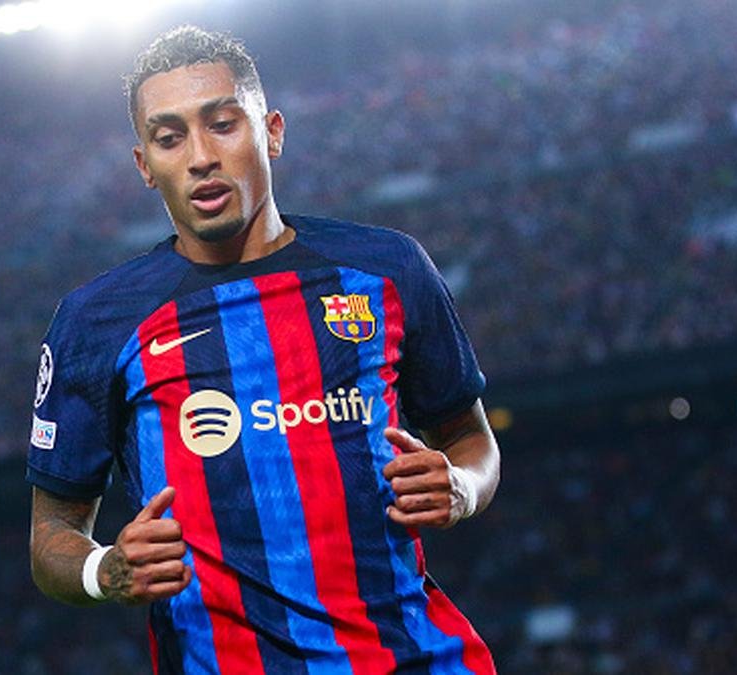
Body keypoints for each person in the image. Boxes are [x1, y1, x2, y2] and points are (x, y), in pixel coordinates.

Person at [28, 25, 500, 674]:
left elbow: (472, 440)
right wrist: (102, 569)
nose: (201, 156)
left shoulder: (388, 268)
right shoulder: (97, 321)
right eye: (170, 137)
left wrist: (461, 486)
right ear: (144, 165)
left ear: (272, 131)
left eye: (222, 124)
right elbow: (51, 534)